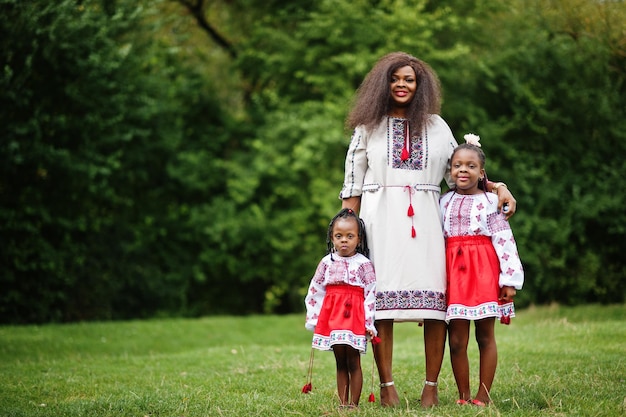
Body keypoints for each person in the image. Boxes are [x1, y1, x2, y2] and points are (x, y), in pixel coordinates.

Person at [338, 51, 517, 407]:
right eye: (395, 78)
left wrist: (499, 187)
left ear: (420, 86)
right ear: (383, 84)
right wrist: (346, 238)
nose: (401, 85)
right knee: (382, 307)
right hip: (379, 219)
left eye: (409, 79)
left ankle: (430, 388)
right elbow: (352, 186)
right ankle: (387, 388)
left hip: (427, 220)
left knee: (436, 304)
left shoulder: (437, 126)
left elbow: (463, 172)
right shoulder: (367, 128)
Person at [440, 135, 524, 406]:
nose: (463, 170)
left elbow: (505, 241)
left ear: (481, 173)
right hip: (453, 273)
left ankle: (483, 396)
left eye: (470, 166)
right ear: (450, 171)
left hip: (484, 271)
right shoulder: (442, 202)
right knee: (456, 339)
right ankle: (463, 395)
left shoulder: (491, 202)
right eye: (457, 165)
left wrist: (509, 280)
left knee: (485, 336)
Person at [304, 208, 378, 408]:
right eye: (339, 236)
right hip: (333, 317)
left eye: (349, 236)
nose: (344, 240)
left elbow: (371, 293)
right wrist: (315, 317)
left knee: (353, 360)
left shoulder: (364, 265)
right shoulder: (326, 263)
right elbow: (315, 289)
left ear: (359, 239)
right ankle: (343, 402)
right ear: (332, 238)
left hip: (354, 318)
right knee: (340, 361)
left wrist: (368, 322)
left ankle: (354, 403)